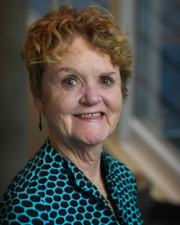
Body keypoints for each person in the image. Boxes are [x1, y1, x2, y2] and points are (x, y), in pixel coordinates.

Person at [0, 5, 143, 225]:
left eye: (106, 80)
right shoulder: (28, 207)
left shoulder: (122, 177)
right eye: (70, 81)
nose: (92, 98)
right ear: (38, 94)